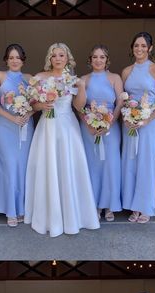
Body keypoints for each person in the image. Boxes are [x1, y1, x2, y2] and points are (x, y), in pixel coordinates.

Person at [24, 43, 100, 237]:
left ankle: (73, 216)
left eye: (61, 55)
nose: (58, 58)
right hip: (47, 128)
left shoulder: (73, 79)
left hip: (67, 127)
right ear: (50, 58)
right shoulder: (39, 78)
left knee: (69, 167)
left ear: (67, 58)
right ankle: (48, 217)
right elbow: (31, 106)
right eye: (54, 55)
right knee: (47, 167)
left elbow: (79, 105)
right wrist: (43, 104)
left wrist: (81, 88)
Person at [121, 32, 155, 223]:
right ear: (132, 48)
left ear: (150, 48)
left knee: (146, 163)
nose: (139, 49)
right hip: (130, 122)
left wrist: (147, 119)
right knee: (130, 161)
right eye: (136, 46)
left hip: (149, 122)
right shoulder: (126, 71)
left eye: (143, 46)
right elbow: (123, 98)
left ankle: (145, 206)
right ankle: (133, 206)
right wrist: (126, 115)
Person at [0, 44, 34, 227]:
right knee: (8, 165)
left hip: (25, 126)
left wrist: (27, 115)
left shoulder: (30, 79)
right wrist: (12, 118)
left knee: (23, 166)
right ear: (6, 60)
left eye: (18, 57)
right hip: (5, 127)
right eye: (11, 57)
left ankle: (22, 207)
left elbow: (37, 103)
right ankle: (10, 209)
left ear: (23, 59)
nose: (14, 61)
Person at [80, 45, 123, 222]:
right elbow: (79, 106)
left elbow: (120, 104)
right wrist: (88, 123)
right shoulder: (84, 79)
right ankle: (95, 204)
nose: (98, 60)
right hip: (88, 127)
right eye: (95, 57)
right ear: (90, 60)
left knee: (110, 164)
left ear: (107, 60)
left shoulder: (115, 78)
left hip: (110, 128)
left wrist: (109, 123)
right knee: (93, 165)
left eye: (102, 57)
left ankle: (109, 204)